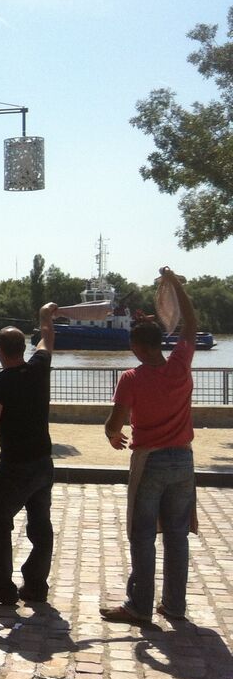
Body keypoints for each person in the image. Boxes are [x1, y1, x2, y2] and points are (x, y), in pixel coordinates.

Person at [100, 267, 198, 624]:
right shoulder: (181, 366)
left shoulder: (131, 379)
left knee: (142, 535)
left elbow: (116, 424)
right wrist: (174, 284)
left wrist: (111, 434)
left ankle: (139, 606)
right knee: (176, 536)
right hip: (184, 461)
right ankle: (174, 605)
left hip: (150, 461)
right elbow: (190, 322)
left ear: (136, 347)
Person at [0, 302, 59, 606]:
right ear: (23, 347)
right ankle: (35, 585)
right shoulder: (38, 368)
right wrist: (45, 316)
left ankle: (3, 588)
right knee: (40, 526)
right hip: (43, 463)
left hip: (16, 466)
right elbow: (47, 340)